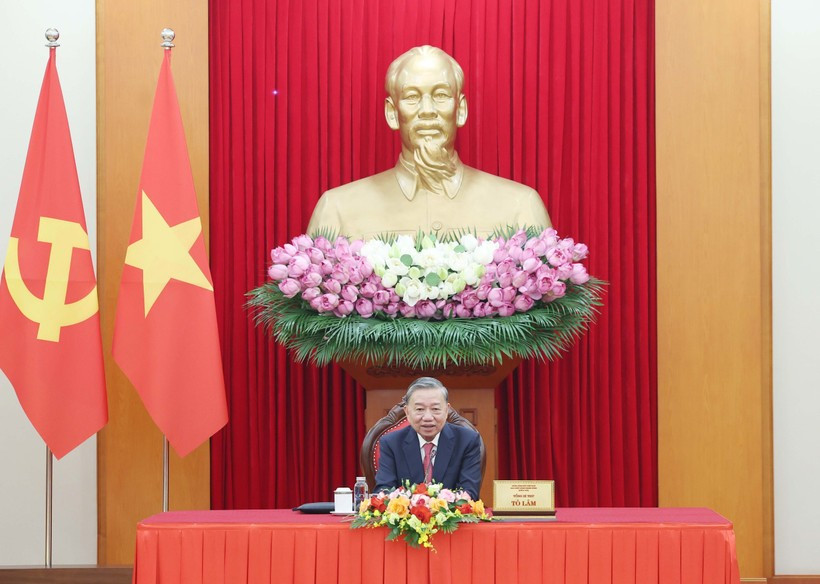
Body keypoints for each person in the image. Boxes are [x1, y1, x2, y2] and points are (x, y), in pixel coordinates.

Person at [307, 45, 551, 241]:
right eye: (412, 96)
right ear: (392, 113)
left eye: (441, 95)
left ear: (460, 109)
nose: (427, 110)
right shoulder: (337, 209)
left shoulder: (520, 207)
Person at [374, 377, 482, 500]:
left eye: (435, 409)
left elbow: (469, 492)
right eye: (420, 409)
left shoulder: (467, 441)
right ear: (407, 412)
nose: (428, 417)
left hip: (451, 512)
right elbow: (384, 490)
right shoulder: (391, 443)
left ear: (446, 410)